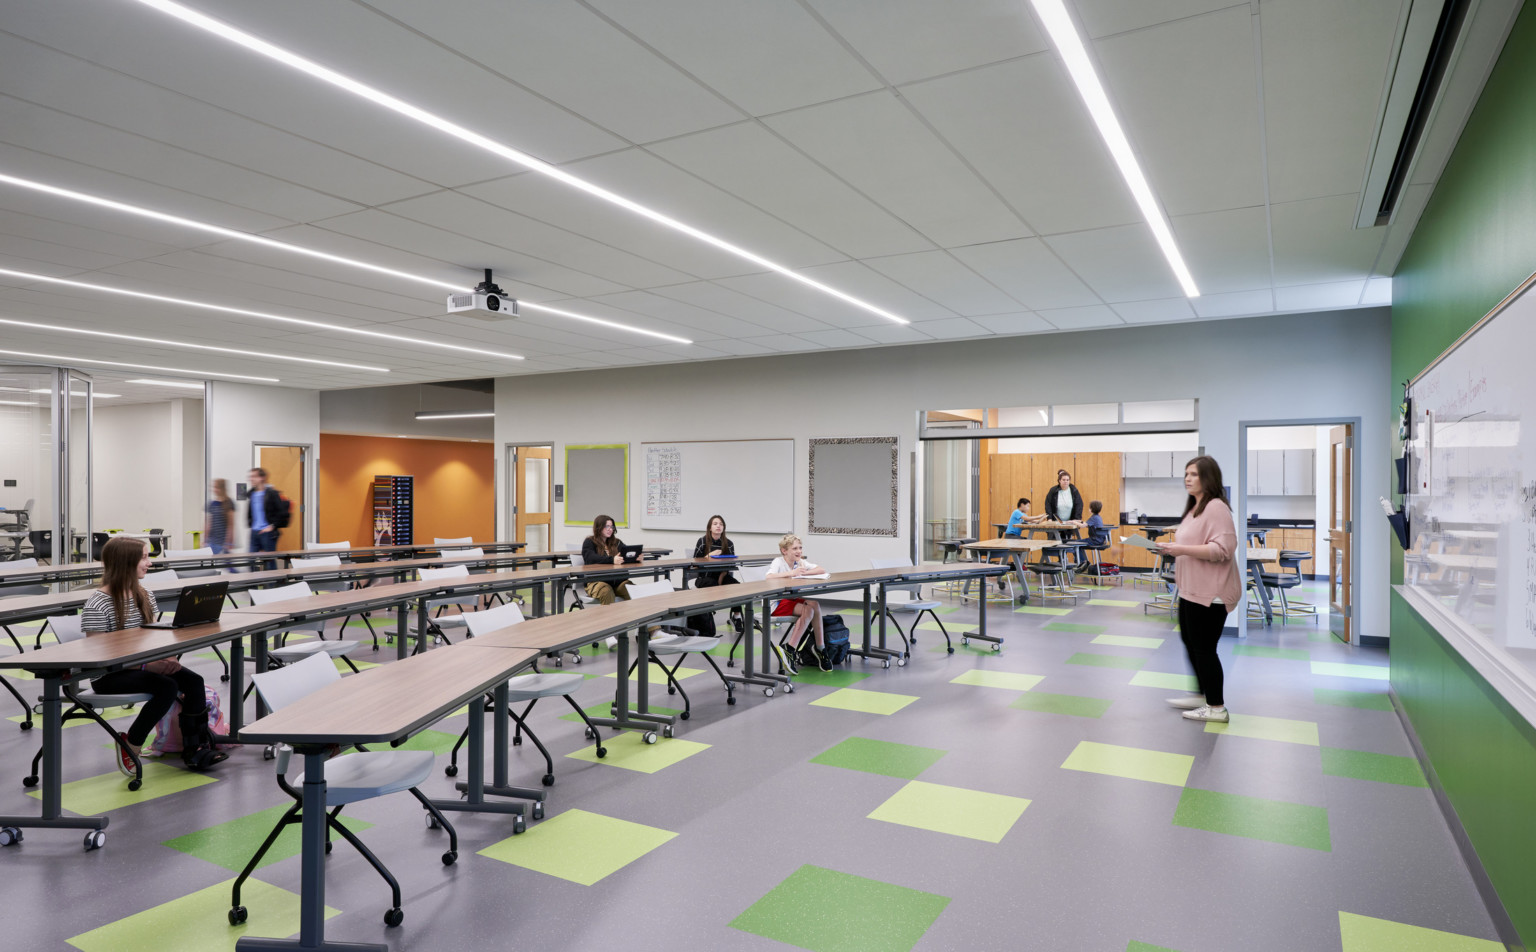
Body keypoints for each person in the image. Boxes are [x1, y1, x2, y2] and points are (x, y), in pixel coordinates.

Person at [81, 537, 226, 774]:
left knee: (194, 681)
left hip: (142, 664)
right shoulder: (98, 603)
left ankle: (195, 747)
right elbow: (100, 658)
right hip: (109, 675)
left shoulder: (144, 594)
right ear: (126, 562)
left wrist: (168, 657)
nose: (149, 563)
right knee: (167, 687)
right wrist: (146, 667)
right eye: (145, 557)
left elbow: (153, 636)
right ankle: (132, 743)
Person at [1156, 456, 1242, 723]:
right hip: (1190, 589)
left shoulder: (1216, 507)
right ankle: (1201, 694)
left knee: (1204, 649)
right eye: (1186, 474)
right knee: (1191, 644)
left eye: (1193, 474)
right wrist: (1171, 549)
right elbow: (1192, 544)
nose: (1187, 478)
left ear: (1208, 478)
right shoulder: (1195, 508)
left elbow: (1223, 549)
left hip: (1211, 593)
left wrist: (1179, 549)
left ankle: (1216, 707)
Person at [765, 534, 831, 673]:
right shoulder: (778, 561)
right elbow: (769, 577)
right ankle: (790, 648)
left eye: (800, 548)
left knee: (815, 605)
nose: (799, 551)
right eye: (794, 548)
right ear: (784, 551)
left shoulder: (800, 561)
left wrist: (804, 572)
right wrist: (792, 573)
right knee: (809, 610)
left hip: (792, 600)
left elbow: (821, 570)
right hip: (776, 604)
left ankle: (820, 648)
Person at [689, 514, 740, 638]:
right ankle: (707, 621)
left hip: (721, 576)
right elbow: (695, 564)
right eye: (715, 524)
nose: (718, 526)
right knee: (711, 584)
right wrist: (709, 556)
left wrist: (722, 578)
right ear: (710, 527)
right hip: (703, 578)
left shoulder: (729, 543)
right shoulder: (702, 541)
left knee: (736, 586)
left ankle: (736, 616)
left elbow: (730, 564)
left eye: (721, 524)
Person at [580, 514, 632, 605]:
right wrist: (612, 560)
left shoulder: (617, 543)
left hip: (617, 582)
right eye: (607, 526)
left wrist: (636, 557)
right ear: (598, 527)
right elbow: (591, 558)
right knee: (606, 591)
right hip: (596, 581)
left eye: (612, 527)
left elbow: (627, 554)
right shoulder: (589, 542)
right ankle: (609, 619)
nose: (610, 529)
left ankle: (632, 617)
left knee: (631, 589)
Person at [247, 467, 287, 570]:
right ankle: (252, 585)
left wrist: (272, 526)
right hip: (254, 531)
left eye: (254, 476)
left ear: (262, 478)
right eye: (250, 477)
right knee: (251, 561)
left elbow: (282, 513)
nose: (251, 479)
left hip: (267, 533)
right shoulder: (252, 494)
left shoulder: (271, 494)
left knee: (269, 561)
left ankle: (272, 585)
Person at [1043, 470, 1085, 534]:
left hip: (1070, 521)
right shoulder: (1053, 490)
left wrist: (1077, 519)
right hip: (1055, 521)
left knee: (1067, 540)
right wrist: (1049, 518)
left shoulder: (1074, 490)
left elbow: (1079, 505)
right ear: (1059, 480)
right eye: (1064, 480)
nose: (1066, 481)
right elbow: (1048, 504)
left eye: (1067, 480)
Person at [204, 478, 234, 554]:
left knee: (227, 564)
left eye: (216, 487)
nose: (214, 490)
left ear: (222, 488)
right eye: (214, 487)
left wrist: (229, 542)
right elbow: (209, 523)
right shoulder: (212, 503)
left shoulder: (228, 503)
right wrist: (205, 539)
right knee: (211, 563)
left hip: (223, 541)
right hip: (212, 540)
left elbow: (231, 525)